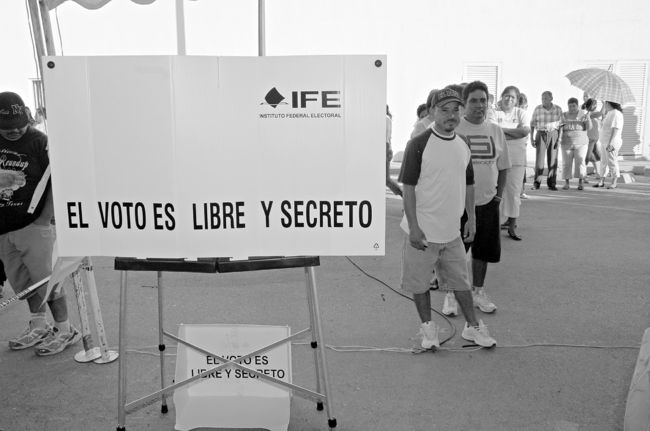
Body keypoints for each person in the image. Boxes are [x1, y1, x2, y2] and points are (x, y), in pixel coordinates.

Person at [399, 87, 496, 349]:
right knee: (420, 284)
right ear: (432, 112)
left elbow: (469, 183)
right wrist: (414, 227)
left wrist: (472, 218)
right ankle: (428, 330)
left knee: (461, 283)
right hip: (422, 233)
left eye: (456, 109)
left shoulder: (463, 143)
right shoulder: (418, 144)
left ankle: (473, 328)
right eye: (444, 110)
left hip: (452, 232)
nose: (451, 115)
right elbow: (408, 189)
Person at [0, 91, 80, 356]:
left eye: (20, 125)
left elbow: (60, 181)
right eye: (8, 127)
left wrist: (44, 218)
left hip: (34, 224)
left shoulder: (40, 142)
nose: (15, 130)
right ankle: (39, 325)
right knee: (22, 284)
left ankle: (65, 329)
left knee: (48, 282)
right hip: (4, 228)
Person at [443, 81, 510, 317]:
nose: (479, 105)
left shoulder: (496, 131)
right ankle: (451, 294)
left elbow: (504, 167)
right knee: (455, 253)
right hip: (458, 204)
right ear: (464, 103)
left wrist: (498, 196)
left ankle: (478, 292)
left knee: (483, 252)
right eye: (473, 100)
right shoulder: (454, 129)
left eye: (483, 100)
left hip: (487, 202)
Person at [494, 86, 529, 240]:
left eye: (513, 97)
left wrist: (502, 132)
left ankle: (512, 225)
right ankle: (494, 225)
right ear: (502, 96)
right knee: (496, 192)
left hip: (517, 159)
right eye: (506, 95)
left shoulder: (521, 113)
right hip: (496, 158)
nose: (509, 99)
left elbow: (525, 131)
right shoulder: (493, 112)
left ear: (517, 100)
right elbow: (492, 132)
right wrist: (516, 133)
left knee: (513, 192)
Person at [530, 91, 563, 190]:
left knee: (553, 160)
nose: (543, 100)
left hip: (553, 134)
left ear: (551, 99)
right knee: (539, 161)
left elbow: (561, 125)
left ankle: (552, 183)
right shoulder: (538, 109)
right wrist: (531, 138)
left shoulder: (558, 109)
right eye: (542, 98)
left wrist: (559, 139)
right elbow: (532, 124)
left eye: (545, 98)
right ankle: (537, 183)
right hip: (541, 134)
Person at [559, 97, 591, 190]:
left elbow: (589, 127)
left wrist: (588, 118)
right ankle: (567, 183)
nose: (572, 108)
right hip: (566, 142)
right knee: (566, 163)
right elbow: (560, 128)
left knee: (580, 162)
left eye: (574, 106)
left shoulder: (583, 114)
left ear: (577, 106)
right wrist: (559, 139)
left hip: (581, 143)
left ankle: (580, 183)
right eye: (570, 106)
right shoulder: (564, 115)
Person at [594, 101, 624, 189]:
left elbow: (615, 129)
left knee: (612, 161)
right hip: (604, 142)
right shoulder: (610, 113)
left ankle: (614, 182)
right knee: (603, 161)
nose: (604, 105)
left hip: (612, 143)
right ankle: (601, 181)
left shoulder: (616, 113)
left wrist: (610, 143)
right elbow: (604, 126)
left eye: (605, 103)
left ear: (609, 104)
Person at [582, 98, 602, 182]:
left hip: (595, 139)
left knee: (595, 157)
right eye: (595, 104)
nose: (596, 105)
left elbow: (601, 116)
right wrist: (604, 104)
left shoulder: (594, 113)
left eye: (596, 104)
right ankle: (583, 175)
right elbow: (600, 113)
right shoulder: (589, 114)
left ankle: (598, 173)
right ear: (590, 106)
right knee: (587, 158)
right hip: (589, 139)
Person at [385, 105, 402, 197]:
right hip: (385, 147)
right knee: (385, 179)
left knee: (386, 179)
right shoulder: (387, 118)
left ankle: (405, 195)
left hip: (384, 147)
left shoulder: (385, 118)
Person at [518, 93, 530, 199]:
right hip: (514, 145)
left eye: (525, 107)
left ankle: (522, 190)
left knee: (522, 169)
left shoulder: (525, 116)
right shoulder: (515, 116)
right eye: (522, 107)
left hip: (523, 145)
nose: (524, 109)